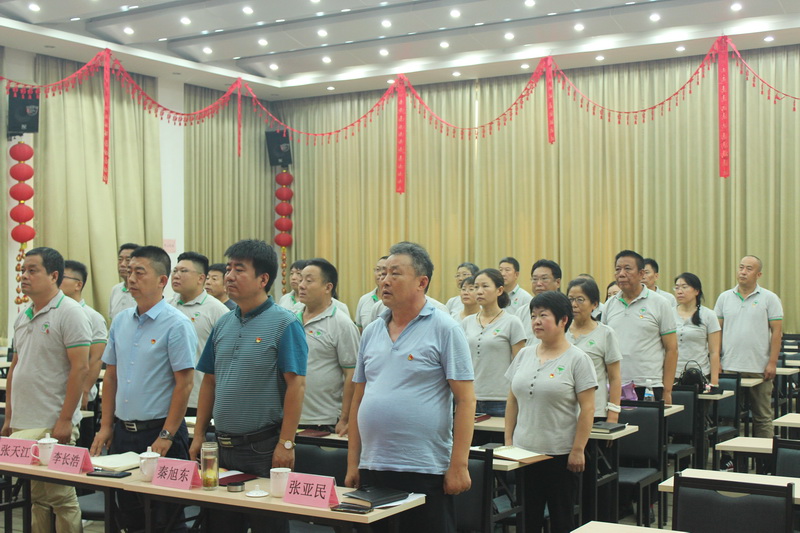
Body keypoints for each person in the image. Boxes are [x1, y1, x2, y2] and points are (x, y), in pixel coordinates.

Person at [346, 242, 475, 533]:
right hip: (374, 466)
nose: (385, 280)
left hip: (425, 467)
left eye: (395, 273)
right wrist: (354, 462)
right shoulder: (372, 331)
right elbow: (359, 399)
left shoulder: (445, 328)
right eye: (383, 273)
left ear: (421, 282)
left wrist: (459, 465)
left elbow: (466, 401)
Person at [190, 239, 307, 533]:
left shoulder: (284, 323)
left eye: (239, 270)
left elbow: (296, 386)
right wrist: (200, 435)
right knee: (221, 525)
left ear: (263, 279)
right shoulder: (222, 323)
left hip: (263, 447)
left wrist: (286, 443)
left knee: (267, 525)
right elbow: (209, 381)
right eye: (228, 268)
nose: (229, 276)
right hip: (222, 446)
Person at [90, 245, 196, 532]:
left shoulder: (177, 324)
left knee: (165, 520)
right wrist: (106, 426)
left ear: (162, 281)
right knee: (130, 517)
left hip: (160, 433)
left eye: (140, 272)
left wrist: (166, 435)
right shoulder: (121, 321)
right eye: (129, 272)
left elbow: (184, 383)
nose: (131, 279)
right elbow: (111, 377)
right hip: (123, 434)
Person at [2, 247, 90, 533]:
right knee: (37, 498)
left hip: (52, 423)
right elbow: (16, 368)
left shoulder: (70, 312)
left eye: (32, 270)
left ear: (54, 276)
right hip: (23, 422)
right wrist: (9, 418)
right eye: (22, 271)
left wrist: (65, 419)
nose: (24, 276)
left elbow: (80, 368)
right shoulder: (23, 316)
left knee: (60, 496)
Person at [505, 291, 597, 533]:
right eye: (533, 316)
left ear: (563, 320)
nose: (536, 321)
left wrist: (578, 450)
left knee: (561, 520)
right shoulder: (524, 354)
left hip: (559, 454)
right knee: (527, 520)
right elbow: (512, 400)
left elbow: (588, 408)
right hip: (524, 452)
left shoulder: (578, 359)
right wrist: (508, 442)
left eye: (543, 315)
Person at [714, 255, 782, 439]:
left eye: (749, 269)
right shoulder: (724, 297)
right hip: (729, 367)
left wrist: (772, 363)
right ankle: (728, 455)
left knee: (762, 417)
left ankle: (765, 455)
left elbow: (777, 332)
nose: (743, 272)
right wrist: (716, 361)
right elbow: (717, 331)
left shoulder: (769, 298)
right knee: (727, 417)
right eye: (741, 267)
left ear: (758, 274)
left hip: (759, 368)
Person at [602, 250, 677, 404]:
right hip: (615, 384)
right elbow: (604, 346)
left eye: (627, 269)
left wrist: (667, 390)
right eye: (618, 269)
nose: (621, 274)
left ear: (641, 273)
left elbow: (672, 349)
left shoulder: (660, 303)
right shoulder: (609, 305)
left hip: (648, 385)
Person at [296, 258, 359, 435]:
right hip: (289, 416)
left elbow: (352, 374)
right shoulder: (290, 318)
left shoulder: (342, 324)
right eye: (301, 279)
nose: (301, 285)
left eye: (309, 281)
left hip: (323, 420)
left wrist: (345, 418)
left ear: (328, 287)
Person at [169, 252, 229, 415]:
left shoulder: (217, 310)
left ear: (201, 278)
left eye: (183, 271)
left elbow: (225, 358)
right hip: (168, 397)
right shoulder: (168, 307)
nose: (176, 275)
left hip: (198, 399)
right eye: (175, 270)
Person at [462, 268, 526, 417]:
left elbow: (520, 365)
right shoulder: (467, 322)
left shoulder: (512, 322)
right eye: (476, 287)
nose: (479, 291)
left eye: (485, 286)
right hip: (471, 397)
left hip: (501, 399)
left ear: (499, 290)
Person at [566, 277, 622, 422]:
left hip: (594, 411)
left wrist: (613, 412)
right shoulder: (560, 331)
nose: (574, 305)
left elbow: (615, 377)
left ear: (595, 304)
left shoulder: (605, 333)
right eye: (570, 299)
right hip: (563, 411)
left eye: (580, 300)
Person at [61, 259, 108, 410]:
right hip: (55, 393)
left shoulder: (93, 317)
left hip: (80, 394)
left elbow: (96, 358)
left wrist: (85, 390)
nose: (57, 281)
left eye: (63, 277)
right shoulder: (55, 313)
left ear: (78, 285)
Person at [672, 273, 721, 386]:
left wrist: (714, 382)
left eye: (684, 287)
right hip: (673, 374)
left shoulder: (709, 315)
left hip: (700, 374)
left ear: (696, 291)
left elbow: (714, 352)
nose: (679, 291)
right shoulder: (668, 313)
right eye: (677, 287)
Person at [516, 259, 562, 346]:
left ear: (558, 282)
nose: (539, 283)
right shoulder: (521, 312)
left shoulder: (565, 310)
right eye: (535, 279)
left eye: (544, 279)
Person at [354, 256, 388, 332]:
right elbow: (359, 330)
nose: (380, 273)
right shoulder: (364, 299)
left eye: (384, 270)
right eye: (377, 269)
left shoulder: (395, 301)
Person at [108, 242, 139, 322]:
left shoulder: (143, 291)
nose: (122, 264)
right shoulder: (115, 289)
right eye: (120, 260)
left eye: (128, 260)